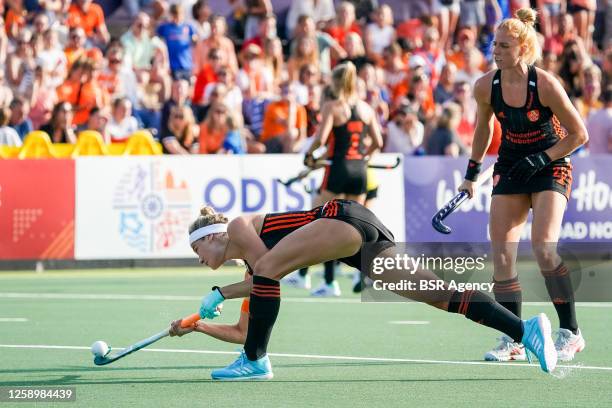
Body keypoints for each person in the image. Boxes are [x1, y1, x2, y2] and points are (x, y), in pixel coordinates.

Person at [174, 197, 558, 380]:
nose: (198, 257)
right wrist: (199, 324)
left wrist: (220, 292)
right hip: (354, 237)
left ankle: (256, 363)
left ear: (213, 236)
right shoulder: (253, 273)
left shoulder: (240, 226)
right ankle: (525, 331)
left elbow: (265, 270)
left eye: (197, 248)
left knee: (269, 270)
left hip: (339, 219)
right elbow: (249, 319)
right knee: (440, 295)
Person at [457, 8, 588, 363]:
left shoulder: (544, 83)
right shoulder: (485, 85)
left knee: (544, 248)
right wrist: (471, 173)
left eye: (504, 46)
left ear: (523, 48)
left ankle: (571, 333)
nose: (496, 51)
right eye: (494, 45)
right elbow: (484, 129)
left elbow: (579, 134)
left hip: (552, 163)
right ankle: (514, 336)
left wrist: (543, 158)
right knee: (501, 254)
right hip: (512, 165)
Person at [298, 63, 383, 296]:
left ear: (336, 83)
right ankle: (364, 271)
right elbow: (378, 141)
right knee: (356, 226)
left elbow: (322, 138)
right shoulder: (366, 108)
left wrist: (308, 155)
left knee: (325, 223)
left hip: (337, 170)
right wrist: (363, 158)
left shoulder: (332, 107)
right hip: (359, 172)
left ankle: (328, 282)